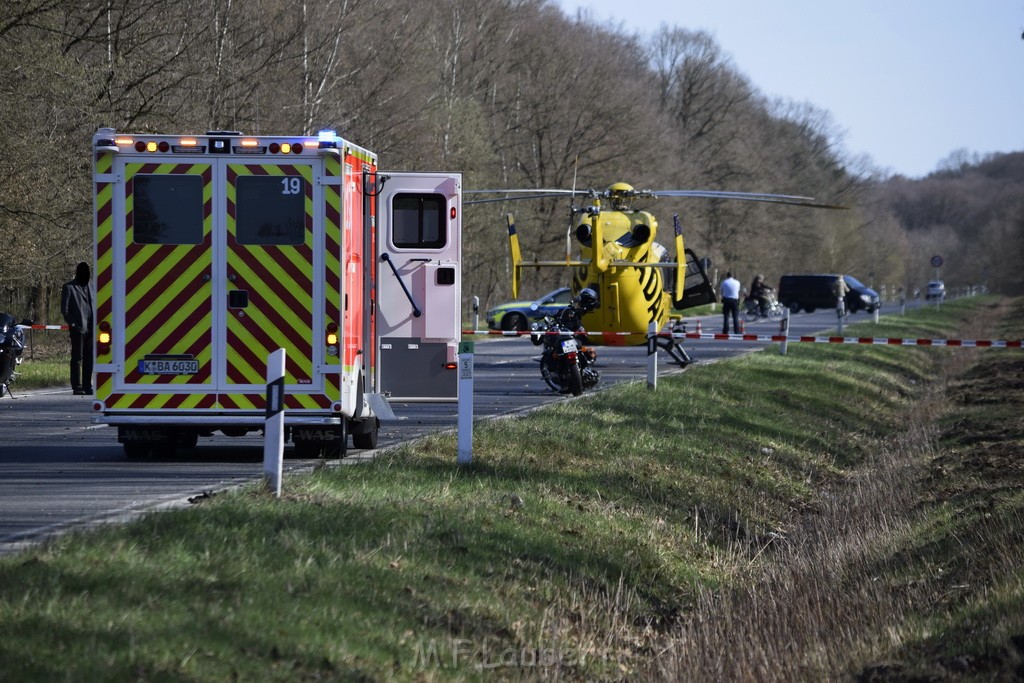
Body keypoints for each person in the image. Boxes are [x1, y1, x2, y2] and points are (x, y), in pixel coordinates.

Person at [61, 262, 94, 395]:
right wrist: (73, 324)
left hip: (91, 328)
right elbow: (65, 309)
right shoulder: (69, 287)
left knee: (89, 358)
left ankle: (87, 385)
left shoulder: (92, 286)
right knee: (77, 357)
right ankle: (77, 386)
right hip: (78, 328)